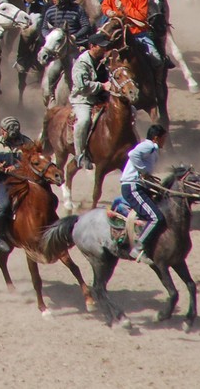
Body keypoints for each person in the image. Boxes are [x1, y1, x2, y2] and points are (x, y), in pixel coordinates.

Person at [0, 115, 31, 253]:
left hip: (23, 181)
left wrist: (17, 167)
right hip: (3, 182)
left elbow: (34, 160)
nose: (0, 132)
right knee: (4, 206)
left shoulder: (27, 143)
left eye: (3, 130)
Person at [120, 124, 168, 263]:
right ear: (156, 138)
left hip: (139, 186)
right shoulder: (149, 146)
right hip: (132, 186)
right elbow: (132, 154)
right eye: (163, 138)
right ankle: (137, 247)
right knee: (156, 217)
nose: (165, 141)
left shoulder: (153, 149)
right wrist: (143, 171)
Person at [68, 40, 110, 169]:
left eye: (105, 47)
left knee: (130, 111)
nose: (104, 50)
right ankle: (80, 155)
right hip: (84, 99)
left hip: (104, 97)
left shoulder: (104, 60)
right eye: (101, 47)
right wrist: (102, 86)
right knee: (84, 121)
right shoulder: (81, 63)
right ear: (92, 46)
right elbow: (82, 86)